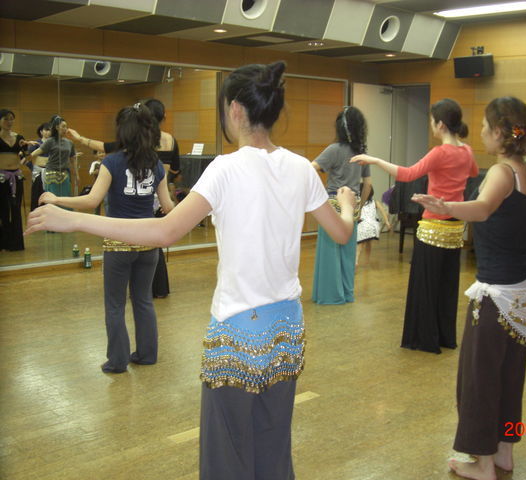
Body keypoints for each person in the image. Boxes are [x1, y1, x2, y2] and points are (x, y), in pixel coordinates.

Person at [26, 61, 356, 480]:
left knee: (227, 452)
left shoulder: (226, 168)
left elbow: (166, 230)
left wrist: (75, 219)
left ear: (234, 109)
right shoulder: (300, 168)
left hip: (238, 330)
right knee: (273, 445)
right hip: (287, 327)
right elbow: (342, 232)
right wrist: (347, 204)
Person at [412, 96, 526, 480]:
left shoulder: (502, 172)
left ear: (499, 131)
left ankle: (482, 463)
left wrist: (444, 206)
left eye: (484, 127)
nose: (479, 132)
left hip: (498, 292)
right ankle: (504, 454)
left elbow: (481, 209)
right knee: (510, 374)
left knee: (479, 378)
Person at [37, 103, 174, 374]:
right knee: (143, 300)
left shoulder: (111, 162)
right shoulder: (156, 164)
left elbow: (92, 200)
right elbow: (168, 207)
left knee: (115, 305)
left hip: (118, 243)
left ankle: (118, 361)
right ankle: (147, 355)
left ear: (122, 131)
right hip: (149, 244)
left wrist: (57, 199)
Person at [352, 98, 478, 354]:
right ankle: (444, 336)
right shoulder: (467, 151)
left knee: (426, 283)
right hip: (455, 228)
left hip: (434, 226)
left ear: (440, 124)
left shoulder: (440, 152)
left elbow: (407, 174)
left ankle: (424, 338)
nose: (431, 125)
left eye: (432, 121)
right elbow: (473, 173)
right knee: (446, 284)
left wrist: (375, 160)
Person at [311, 106, 372, 304]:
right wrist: (359, 207)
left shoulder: (334, 149)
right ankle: (346, 293)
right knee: (347, 252)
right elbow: (368, 184)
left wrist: (318, 194)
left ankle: (330, 295)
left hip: (332, 204)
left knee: (330, 251)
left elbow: (311, 168)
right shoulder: (361, 153)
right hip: (352, 205)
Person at [142, 98, 180, 298]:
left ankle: (148, 288)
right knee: (155, 243)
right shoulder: (171, 139)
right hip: (163, 195)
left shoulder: (142, 139)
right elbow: (176, 169)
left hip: (146, 194)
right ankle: (160, 288)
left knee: (147, 243)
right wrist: (166, 181)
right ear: (163, 116)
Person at [0, 109, 31, 251]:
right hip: (1, 177)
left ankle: (16, 243)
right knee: (3, 209)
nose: (9, 122)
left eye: (11, 119)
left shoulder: (19, 138)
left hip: (16, 176)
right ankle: (3, 242)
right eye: (6, 119)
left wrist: (25, 149)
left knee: (15, 208)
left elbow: (26, 157)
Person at [28, 115, 77, 201]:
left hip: (65, 174)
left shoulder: (69, 143)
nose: (65, 129)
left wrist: (76, 174)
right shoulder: (50, 141)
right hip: (51, 174)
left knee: (66, 198)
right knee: (52, 199)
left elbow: (73, 159)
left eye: (66, 127)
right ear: (57, 127)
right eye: (63, 126)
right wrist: (27, 157)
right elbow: (38, 151)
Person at [356, 185, 392, 267]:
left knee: (360, 244)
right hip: (373, 227)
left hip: (363, 225)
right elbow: (383, 211)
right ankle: (366, 261)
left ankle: (356, 260)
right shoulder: (375, 202)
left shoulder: (358, 202)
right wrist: (387, 222)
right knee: (368, 243)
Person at [26, 122, 51, 211]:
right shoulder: (36, 144)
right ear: (41, 132)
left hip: (51, 172)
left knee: (49, 195)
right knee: (37, 194)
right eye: (46, 130)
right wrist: (33, 168)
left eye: (50, 130)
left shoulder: (53, 143)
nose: (48, 132)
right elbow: (27, 158)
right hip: (38, 172)